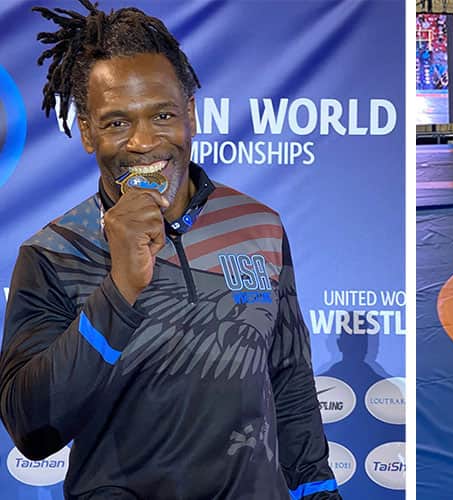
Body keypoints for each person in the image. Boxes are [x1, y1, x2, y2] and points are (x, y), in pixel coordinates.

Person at [0, 1, 340, 499]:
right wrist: (118, 290)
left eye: (162, 115)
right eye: (116, 123)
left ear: (191, 115)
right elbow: (32, 431)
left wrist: (318, 491)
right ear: (89, 133)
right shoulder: (54, 253)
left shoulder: (258, 223)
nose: (143, 142)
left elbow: (288, 378)